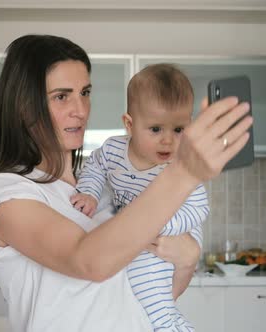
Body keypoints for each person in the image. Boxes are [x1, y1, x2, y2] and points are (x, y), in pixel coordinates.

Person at [0, 34, 252, 332]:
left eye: (85, 92)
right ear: (25, 106)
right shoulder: (7, 193)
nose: (80, 110)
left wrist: (187, 260)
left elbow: (152, 299)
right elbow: (88, 261)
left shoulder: (107, 185)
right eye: (62, 96)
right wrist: (185, 171)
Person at [71, 64, 209, 330]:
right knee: (132, 304)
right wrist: (88, 192)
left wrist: (160, 228)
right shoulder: (113, 150)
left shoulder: (181, 165)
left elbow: (199, 207)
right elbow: (95, 167)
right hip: (135, 239)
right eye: (156, 130)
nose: (168, 141)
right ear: (129, 124)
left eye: (178, 130)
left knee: (154, 306)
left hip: (167, 240)